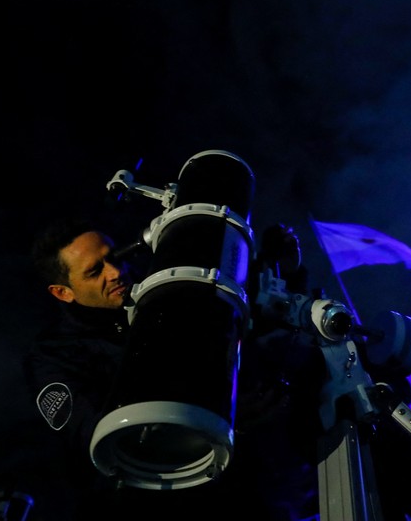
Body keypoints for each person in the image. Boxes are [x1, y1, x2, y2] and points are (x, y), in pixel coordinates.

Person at [23, 215, 307, 520]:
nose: (117, 272)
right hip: (146, 505)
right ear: (62, 292)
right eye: (95, 272)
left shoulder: (164, 292)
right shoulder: (52, 358)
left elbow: (239, 320)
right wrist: (222, 417)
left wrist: (284, 271)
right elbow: (101, 438)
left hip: (238, 484)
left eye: (114, 257)